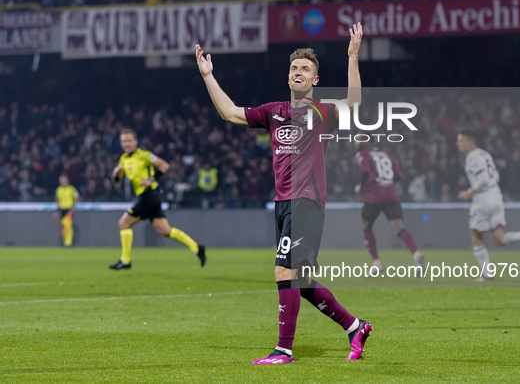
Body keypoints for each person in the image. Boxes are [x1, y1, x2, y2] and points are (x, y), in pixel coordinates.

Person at [196, 22, 372, 365]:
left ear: (314, 80)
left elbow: (355, 102)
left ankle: (284, 350)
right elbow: (231, 112)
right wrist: (208, 76)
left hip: (306, 202)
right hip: (283, 202)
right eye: (294, 67)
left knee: (283, 271)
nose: (298, 71)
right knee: (302, 282)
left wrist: (352, 56)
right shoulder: (274, 112)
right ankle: (355, 327)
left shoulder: (321, 113)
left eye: (305, 69)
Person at [109, 129, 205, 270]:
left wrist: (151, 179)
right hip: (148, 198)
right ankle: (197, 248)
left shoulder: (144, 155)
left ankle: (125, 261)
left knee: (123, 224)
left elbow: (165, 166)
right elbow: (117, 181)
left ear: (135, 142)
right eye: (124, 141)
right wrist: (115, 174)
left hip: (149, 195)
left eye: (129, 140)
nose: (127, 144)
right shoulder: (123, 159)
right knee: (165, 231)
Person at [456, 130, 520, 281]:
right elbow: (495, 175)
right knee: (499, 239)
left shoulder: (472, 157)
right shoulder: (485, 154)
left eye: (461, 141)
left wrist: (469, 191)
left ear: (470, 141)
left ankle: (487, 274)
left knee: (476, 236)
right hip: (496, 195)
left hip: (483, 199)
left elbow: (483, 180)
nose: (458, 144)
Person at [354, 142, 425, 276]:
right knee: (399, 228)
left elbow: (364, 171)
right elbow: (399, 175)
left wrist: (361, 187)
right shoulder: (386, 154)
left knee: (366, 226)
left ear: (366, 141)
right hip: (391, 195)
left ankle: (376, 262)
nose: (356, 142)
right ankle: (416, 253)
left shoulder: (362, 154)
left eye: (359, 139)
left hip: (373, 195)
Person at [54, 174, 79, 247]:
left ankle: (68, 243)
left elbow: (77, 198)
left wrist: (73, 208)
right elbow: (58, 200)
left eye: (64, 179)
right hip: (62, 209)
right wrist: (56, 210)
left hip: (69, 209)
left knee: (68, 225)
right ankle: (65, 241)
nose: (62, 181)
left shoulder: (72, 189)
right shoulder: (58, 190)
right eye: (61, 180)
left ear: (67, 180)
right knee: (63, 226)